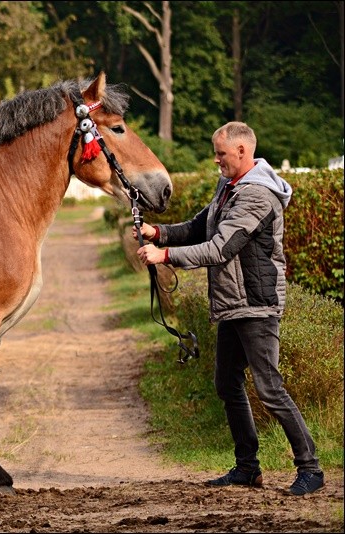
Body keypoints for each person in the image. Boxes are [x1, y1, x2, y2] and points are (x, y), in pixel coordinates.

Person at [132, 121, 325, 496]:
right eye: (215, 152)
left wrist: (165, 255)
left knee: (269, 389)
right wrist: (161, 233)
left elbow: (220, 248)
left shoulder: (257, 197)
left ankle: (311, 468)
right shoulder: (229, 186)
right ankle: (247, 467)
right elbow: (200, 226)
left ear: (242, 151)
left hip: (256, 305)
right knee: (226, 383)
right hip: (232, 305)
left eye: (221, 153)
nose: (216, 159)